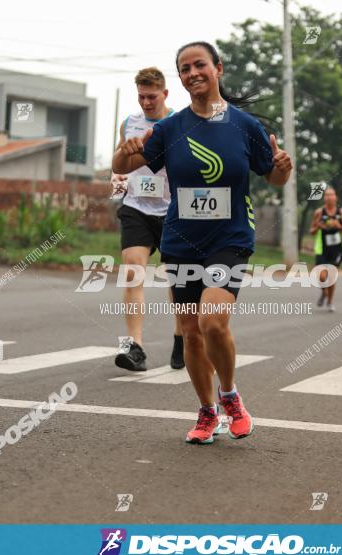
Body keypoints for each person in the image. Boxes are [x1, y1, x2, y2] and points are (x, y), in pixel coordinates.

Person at [113, 41, 292, 444]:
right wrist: (124, 154)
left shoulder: (244, 126)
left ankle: (230, 396)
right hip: (180, 240)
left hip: (229, 238)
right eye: (184, 68)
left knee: (213, 320)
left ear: (218, 69)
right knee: (191, 330)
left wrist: (283, 168)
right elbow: (121, 167)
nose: (192, 73)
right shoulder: (170, 129)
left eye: (199, 65)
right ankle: (206, 412)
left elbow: (274, 176)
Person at [112, 67, 185, 372]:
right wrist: (118, 179)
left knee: (178, 280)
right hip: (136, 208)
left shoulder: (180, 123)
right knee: (132, 271)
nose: (146, 102)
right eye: (141, 96)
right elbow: (118, 163)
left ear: (165, 94)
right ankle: (135, 348)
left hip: (172, 210)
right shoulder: (129, 123)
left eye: (152, 96)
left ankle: (182, 340)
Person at [310, 186, 342, 312]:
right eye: (327, 195)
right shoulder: (318, 212)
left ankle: (330, 301)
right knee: (321, 277)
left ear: (336, 197)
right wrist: (318, 226)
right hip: (322, 248)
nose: (329, 197)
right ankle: (324, 293)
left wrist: (339, 226)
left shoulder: (341, 213)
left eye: (332, 195)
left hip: (337, 249)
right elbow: (311, 231)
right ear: (324, 198)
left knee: (331, 276)